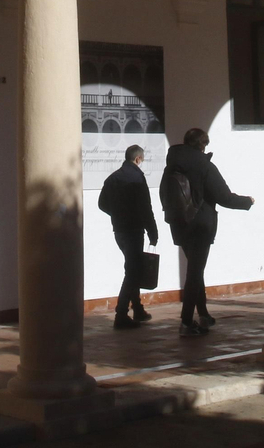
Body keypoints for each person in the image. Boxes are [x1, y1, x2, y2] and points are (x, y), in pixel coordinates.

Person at [161, 127, 253, 336]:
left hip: (179, 223)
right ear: (202, 144)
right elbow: (224, 197)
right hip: (200, 225)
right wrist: (247, 201)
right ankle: (186, 322)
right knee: (194, 272)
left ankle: (203, 314)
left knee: (195, 270)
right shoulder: (204, 166)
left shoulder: (171, 165)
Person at [99, 143, 159, 329]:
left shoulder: (113, 178)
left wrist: (117, 215)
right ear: (138, 159)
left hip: (119, 230)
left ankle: (138, 309)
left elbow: (102, 204)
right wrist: (153, 231)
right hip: (134, 230)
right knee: (132, 272)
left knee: (132, 268)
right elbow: (145, 208)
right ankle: (121, 314)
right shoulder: (137, 178)